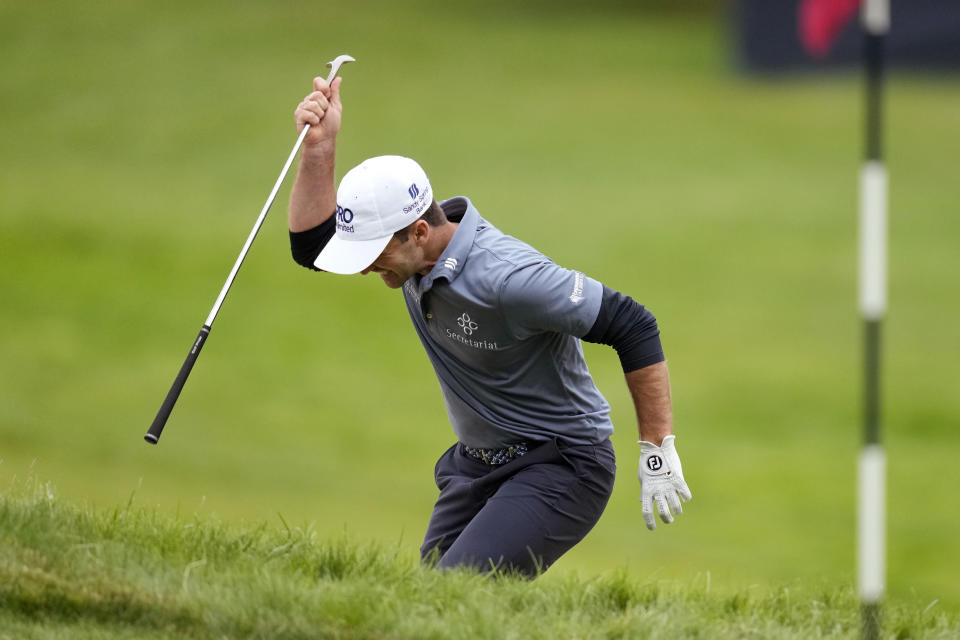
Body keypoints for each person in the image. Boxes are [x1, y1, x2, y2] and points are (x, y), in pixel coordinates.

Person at [288, 76, 692, 577]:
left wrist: (657, 449)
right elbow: (311, 249)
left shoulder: (509, 277)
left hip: (562, 465)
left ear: (419, 231)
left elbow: (632, 323)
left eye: (375, 254)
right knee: (422, 605)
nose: (367, 268)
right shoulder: (412, 259)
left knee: (452, 595)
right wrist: (319, 148)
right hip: (476, 465)